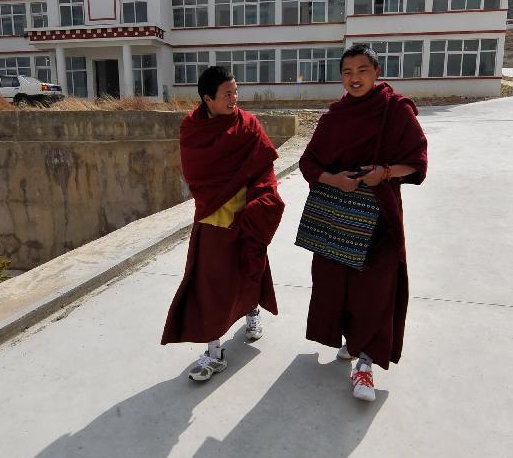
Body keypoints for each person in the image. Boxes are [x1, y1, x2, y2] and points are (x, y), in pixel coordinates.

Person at [298, 43, 428, 402]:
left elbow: (416, 161)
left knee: (375, 290)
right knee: (335, 285)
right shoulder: (334, 117)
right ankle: (350, 341)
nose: (354, 79)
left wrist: (385, 172)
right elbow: (309, 164)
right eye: (347, 72)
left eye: (362, 71)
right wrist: (334, 179)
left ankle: (365, 366)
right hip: (336, 217)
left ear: (376, 72)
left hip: (379, 219)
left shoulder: (395, 111)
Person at [162, 66, 285, 381]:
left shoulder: (248, 125)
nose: (235, 99)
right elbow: (196, 175)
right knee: (210, 288)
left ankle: (252, 312)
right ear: (208, 99)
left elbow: (263, 170)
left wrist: (262, 201)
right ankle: (214, 353)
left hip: (247, 217)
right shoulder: (193, 131)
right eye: (227, 94)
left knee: (249, 270)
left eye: (236, 92)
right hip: (214, 219)